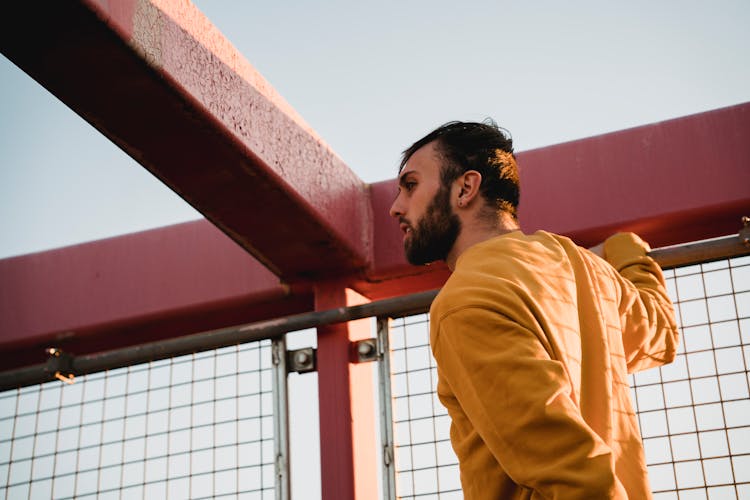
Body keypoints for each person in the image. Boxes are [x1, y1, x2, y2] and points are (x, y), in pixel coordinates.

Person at [389, 120, 679, 499]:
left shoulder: (465, 300)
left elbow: (570, 470)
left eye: (410, 186)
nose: (396, 208)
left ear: (465, 188)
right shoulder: (580, 267)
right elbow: (660, 335)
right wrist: (625, 248)